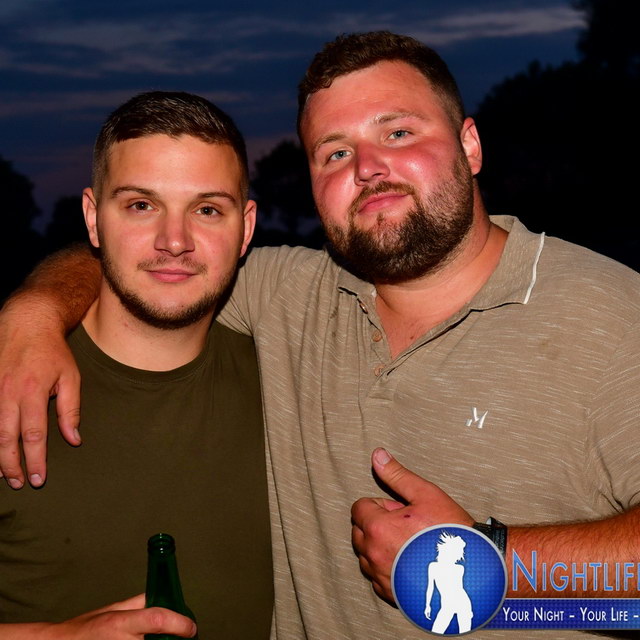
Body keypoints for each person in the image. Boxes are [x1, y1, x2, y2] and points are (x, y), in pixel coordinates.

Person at [1, 30, 639, 639]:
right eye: (335, 152)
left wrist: (492, 568)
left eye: (398, 132)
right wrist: (33, 313)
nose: (369, 168)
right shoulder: (288, 294)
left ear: (469, 145)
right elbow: (150, 263)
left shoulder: (608, 313)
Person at [0, 91, 273, 639]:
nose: (174, 241)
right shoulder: (12, 379)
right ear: (92, 218)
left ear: (245, 229)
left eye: (207, 209)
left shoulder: (289, 380)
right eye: (141, 205)